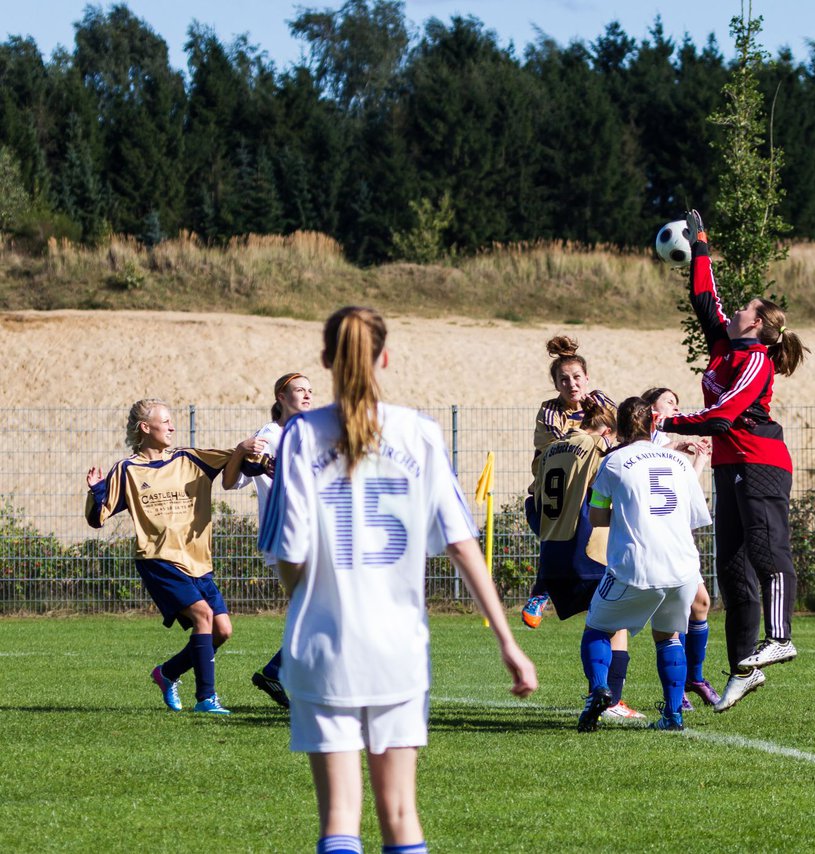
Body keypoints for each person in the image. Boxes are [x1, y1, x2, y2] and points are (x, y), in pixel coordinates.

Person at [258, 306, 537, 854]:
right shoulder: (420, 433)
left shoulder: (298, 436)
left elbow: (287, 554)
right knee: (402, 814)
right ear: (384, 358)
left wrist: (311, 601)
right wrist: (507, 641)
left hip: (321, 647)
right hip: (398, 648)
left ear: (326, 362)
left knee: (339, 818)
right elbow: (460, 543)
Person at [656, 209, 809, 713]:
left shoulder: (756, 359)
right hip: (730, 467)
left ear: (760, 323)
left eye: (745, 307)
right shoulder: (725, 344)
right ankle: (744, 667)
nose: (735, 309)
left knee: (768, 553)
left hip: (761, 461)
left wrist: (666, 424)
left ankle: (780, 636)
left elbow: (723, 417)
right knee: (733, 570)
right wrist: (699, 245)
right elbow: (705, 297)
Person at [85, 399, 267, 715]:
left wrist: (250, 453)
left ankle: (167, 673)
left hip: (197, 560)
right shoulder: (127, 469)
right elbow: (97, 517)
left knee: (222, 631)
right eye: (165, 421)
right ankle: (206, 699)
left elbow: (239, 464)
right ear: (145, 427)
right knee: (203, 617)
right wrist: (95, 490)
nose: (172, 427)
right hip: (157, 559)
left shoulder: (189, 458)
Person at [577, 397, 713, 733]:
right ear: (653, 424)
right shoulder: (680, 462)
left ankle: (598, 690)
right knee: (669, 637)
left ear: (620, 427)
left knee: (598, 629)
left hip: (635, 566)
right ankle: (673, 715)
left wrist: (625, 514)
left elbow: (596, 516)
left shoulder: (614, 462)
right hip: (682, 568)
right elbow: (695, 517)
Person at [534, 396, 644, 721]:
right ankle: (610, 699)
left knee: (601, 621)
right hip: (586, 552)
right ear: (607, 430)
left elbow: (532, 500)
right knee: (613, 621)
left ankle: (601, 692)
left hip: (552, 554)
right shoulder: (596, 447)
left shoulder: (552, 449)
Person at [222, 371, 314, 708]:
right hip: (286, 537)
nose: (306, 395)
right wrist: (240, 453)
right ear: (280, 395)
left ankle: (276, 671)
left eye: (310, 390)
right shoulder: (269, 437)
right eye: (298, 390)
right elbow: (232, 483)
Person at [521, 335, 616, 629]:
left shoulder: (601, 401)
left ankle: (606, 589)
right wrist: (593, 433)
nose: (572, 384)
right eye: (564, 380)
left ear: (586, 378)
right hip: (553, 496)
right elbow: (564, 451)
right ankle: (541, 591)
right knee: (561, 539)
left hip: (590, 491)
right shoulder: (549, 411)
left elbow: (616, 432)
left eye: (577, 378)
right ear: (556, 384)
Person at [641, 386, 720, 709]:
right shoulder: (646, 445)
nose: (676, 407)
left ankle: (693, 677)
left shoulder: (669, 445)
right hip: (658, 541)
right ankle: (677, 691)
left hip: (679, 537)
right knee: (672, 616)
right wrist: (680, 449)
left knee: (700, 603)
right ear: (651, 410)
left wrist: (698, 459)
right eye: (669, 401)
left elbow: (683, 492)